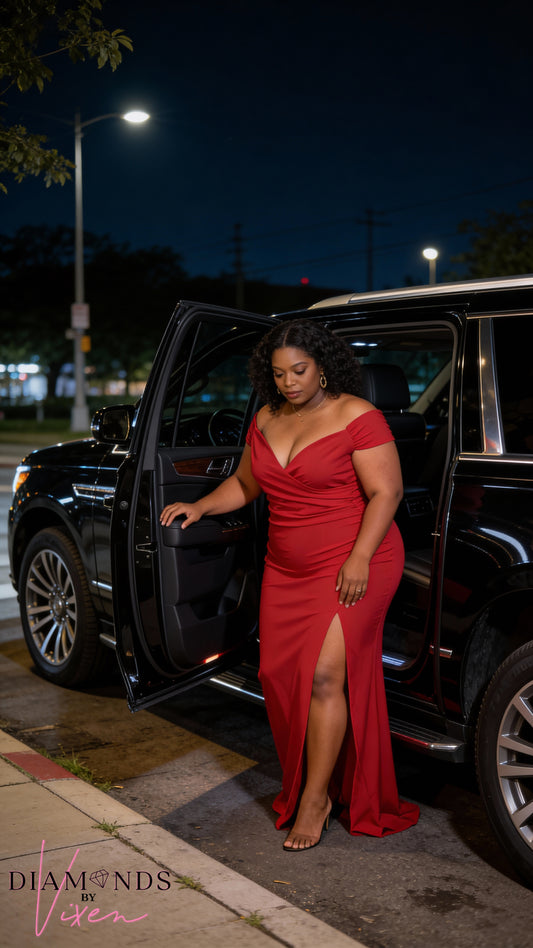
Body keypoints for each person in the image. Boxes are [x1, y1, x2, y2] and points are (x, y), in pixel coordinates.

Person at [161, 318, 419, 851]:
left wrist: (359, 559)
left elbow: (387, 493)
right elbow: (245, 483)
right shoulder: (265, 417)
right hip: (285, 569)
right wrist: (201, 505)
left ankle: (315, 800)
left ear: (322, 367)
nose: (289, 382)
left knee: (325, 677)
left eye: (299, 370)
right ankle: (319, 779)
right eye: (278, 374)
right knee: (279, 678)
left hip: (357, 558)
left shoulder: (357, 415)